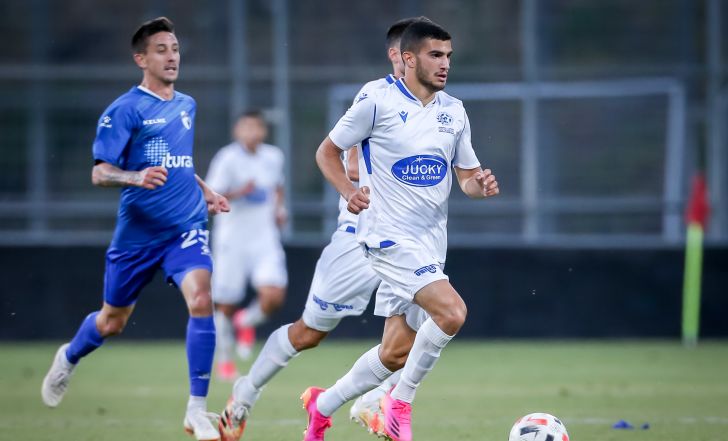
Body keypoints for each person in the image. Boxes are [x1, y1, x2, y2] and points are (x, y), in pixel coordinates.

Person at [215, 17, 424, 441]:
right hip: (359, 241)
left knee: (427, 324)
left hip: (408, 242)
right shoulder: (375, 98)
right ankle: (245, 393)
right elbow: (345, 159)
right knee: (308, 333)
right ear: (398, 56)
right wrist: (362, 180)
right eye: (423, 52)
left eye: (440, 54)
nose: (435, 62)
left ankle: (374, 400)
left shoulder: (440, 110)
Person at [302, 19, 500, 441]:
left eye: (448, 56)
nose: (445, 64)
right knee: (452, 312)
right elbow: (327, 151)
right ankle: (400, 403)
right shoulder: (377, 101)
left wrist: (479, 186)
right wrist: (348, 191)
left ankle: (322, 406)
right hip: (386, 236)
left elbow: (466, 178)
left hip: (430, 243)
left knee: (395, 353)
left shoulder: (454, 111)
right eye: (435, 55)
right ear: (408, 58)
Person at [40, 17, 230, 441]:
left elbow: (180, 163)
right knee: (112, 322)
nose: (172, 57)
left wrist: (206, 191)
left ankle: (196, 411)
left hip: (185, 227)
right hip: (138, 236)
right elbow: (100, 173)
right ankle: (69, 356)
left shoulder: (187, 104)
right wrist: (135, 177)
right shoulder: (125, 109)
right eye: (161, 50)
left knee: (202, 298)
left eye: (175, 49)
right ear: (141, 59)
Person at [205, 110, 288, 380]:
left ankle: (246, 321)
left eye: (257, 127)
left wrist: (280, 209)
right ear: (237, 131)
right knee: (225, 303)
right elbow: (211, 196)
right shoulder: (227, 158)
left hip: (265, 237)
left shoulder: (273, 156)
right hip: (232, 240)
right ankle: (225, 360)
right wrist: (240, 192)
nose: (252, 132)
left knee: (274, 296)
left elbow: (277, 186)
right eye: (246, 127)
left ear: (264, 131)